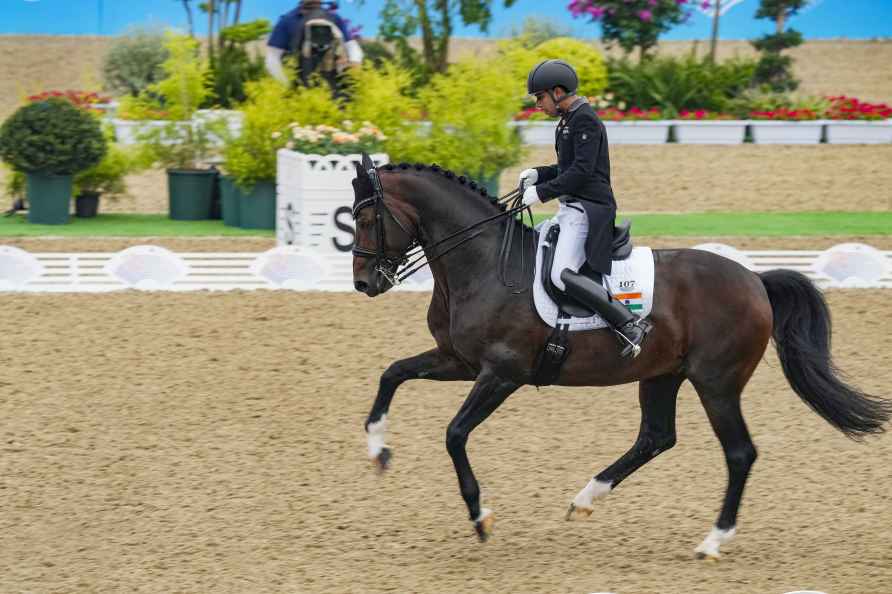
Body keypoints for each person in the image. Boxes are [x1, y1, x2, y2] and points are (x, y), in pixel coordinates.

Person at [519, 59, 651, 358]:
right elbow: (566, 167)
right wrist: (540, 173)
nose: (537, 104)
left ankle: (628, 324)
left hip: (589, 209)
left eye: (539, 97)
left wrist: (541, 193)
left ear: (557, 91)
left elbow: (581, 172)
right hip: (571, 207)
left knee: (560, 273)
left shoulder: (585, 120)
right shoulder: (567, 119)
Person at [265, 0, 364, 94]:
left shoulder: (334, 18)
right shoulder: (287, 20)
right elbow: (272, 58)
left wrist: (353, 68)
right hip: (305, 87)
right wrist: (286, 85)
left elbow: (353, 48)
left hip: (329, 84)